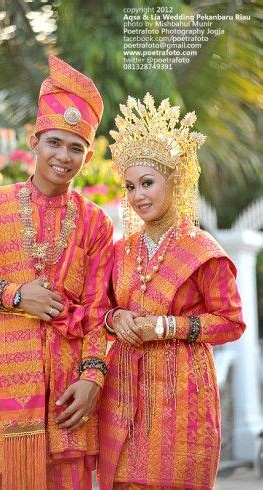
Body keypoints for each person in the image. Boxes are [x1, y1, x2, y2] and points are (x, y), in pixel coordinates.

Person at [0, 55, 113, 490]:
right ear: (34, 141)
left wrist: (93, 377)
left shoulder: (95, 223)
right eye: (55, 142)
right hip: (1, 383)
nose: (63, 156)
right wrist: (13, 295)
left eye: (76, 147)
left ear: (87, 156)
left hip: (67, 387)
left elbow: (98, 308)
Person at [98, 94, 245, 489]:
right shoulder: (119, 251)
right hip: (125, 390)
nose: (138, 195)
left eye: (147, 182)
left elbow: (231, 323)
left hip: (182, 394)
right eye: (130, 186)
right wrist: (118, 318)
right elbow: (99, 312)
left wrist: (165, 327)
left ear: (175, 181)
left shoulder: (201, 250)